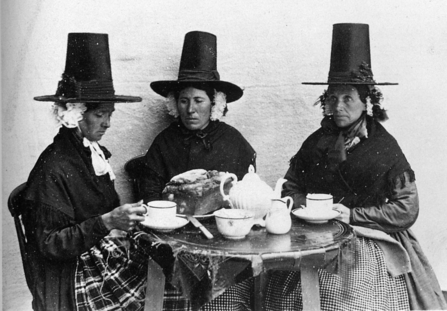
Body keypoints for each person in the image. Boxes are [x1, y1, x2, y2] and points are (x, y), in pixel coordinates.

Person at [278, 23, 447, 310]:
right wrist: (310, 211)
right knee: (294, 295)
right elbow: (290, 185)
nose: (339, 105)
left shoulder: (384, 146)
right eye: (333, 98)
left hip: (368, 238)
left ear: (367, 102)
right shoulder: (316, 141)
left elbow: (407, 208)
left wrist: (353, 215)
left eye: (348, 98)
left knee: (342, 297)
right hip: (318, 235)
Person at [22, 33, 150, 311]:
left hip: (99, 255)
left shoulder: (89, 154)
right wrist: (106, 222)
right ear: (76, 113)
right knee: (159, 294)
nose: (107, 123)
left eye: (110, 114)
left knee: (168, 279)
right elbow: (49, 244)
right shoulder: (54, 167)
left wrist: (117, 219)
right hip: (71, 276)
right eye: (100, 114)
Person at [133, 31, 256, 310]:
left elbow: (244, 194)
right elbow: (149, 189)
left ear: (214, 103)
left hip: (222, 236)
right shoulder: (164, 141)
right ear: (175, 103)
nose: (190, 109)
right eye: (184, 100)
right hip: (176, 236)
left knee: (229, 292)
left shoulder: (233, 141)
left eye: (198, 100)